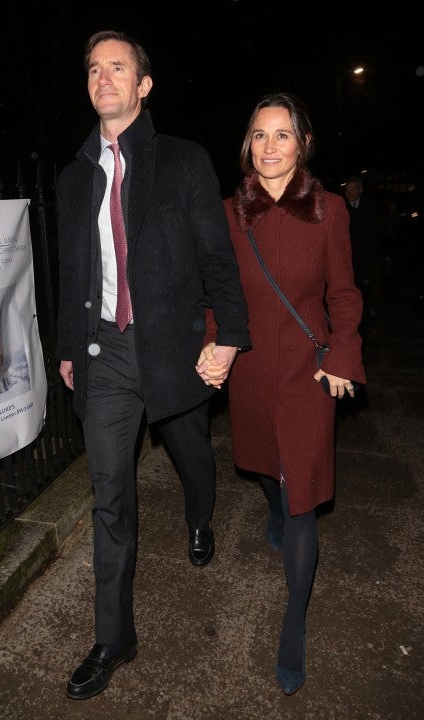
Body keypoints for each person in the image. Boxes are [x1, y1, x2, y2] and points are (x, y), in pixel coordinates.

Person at [56, 29, 250, 700]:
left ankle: (201, 514)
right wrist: (68, 347)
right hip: (106, 353)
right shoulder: (73, 178)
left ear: (143, 85)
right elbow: (72, 272)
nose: (102, 78)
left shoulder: (183, 161)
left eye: (117, 67)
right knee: (109, 496)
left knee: (191, 452)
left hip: (172, 347)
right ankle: (114, 637)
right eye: (93, 69)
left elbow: (218, 257)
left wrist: (228, 338)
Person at [196, 92, 366, 695]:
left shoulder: (327, 210)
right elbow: (217, 294)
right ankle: (272, 501)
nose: (269, 147)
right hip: (249, 367)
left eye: (282, 134)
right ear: (248, 144)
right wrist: (214, 344)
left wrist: (343, 354)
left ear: (303, 144)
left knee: (301, 498)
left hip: (306, 371)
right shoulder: (226, 213)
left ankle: (294, 622)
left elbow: (343, 293)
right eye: (259, 135)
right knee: (265, 466)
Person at [343, 174, 388, 333]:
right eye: (347, 190)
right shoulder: (342, 208)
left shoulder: (370, 208)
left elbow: (378, 229)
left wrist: (373, 247)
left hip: (366, 256)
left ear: (360, 190)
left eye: (353, 189)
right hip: (347, 257)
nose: (350, 193)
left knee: (365, 288)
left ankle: (367, 316)